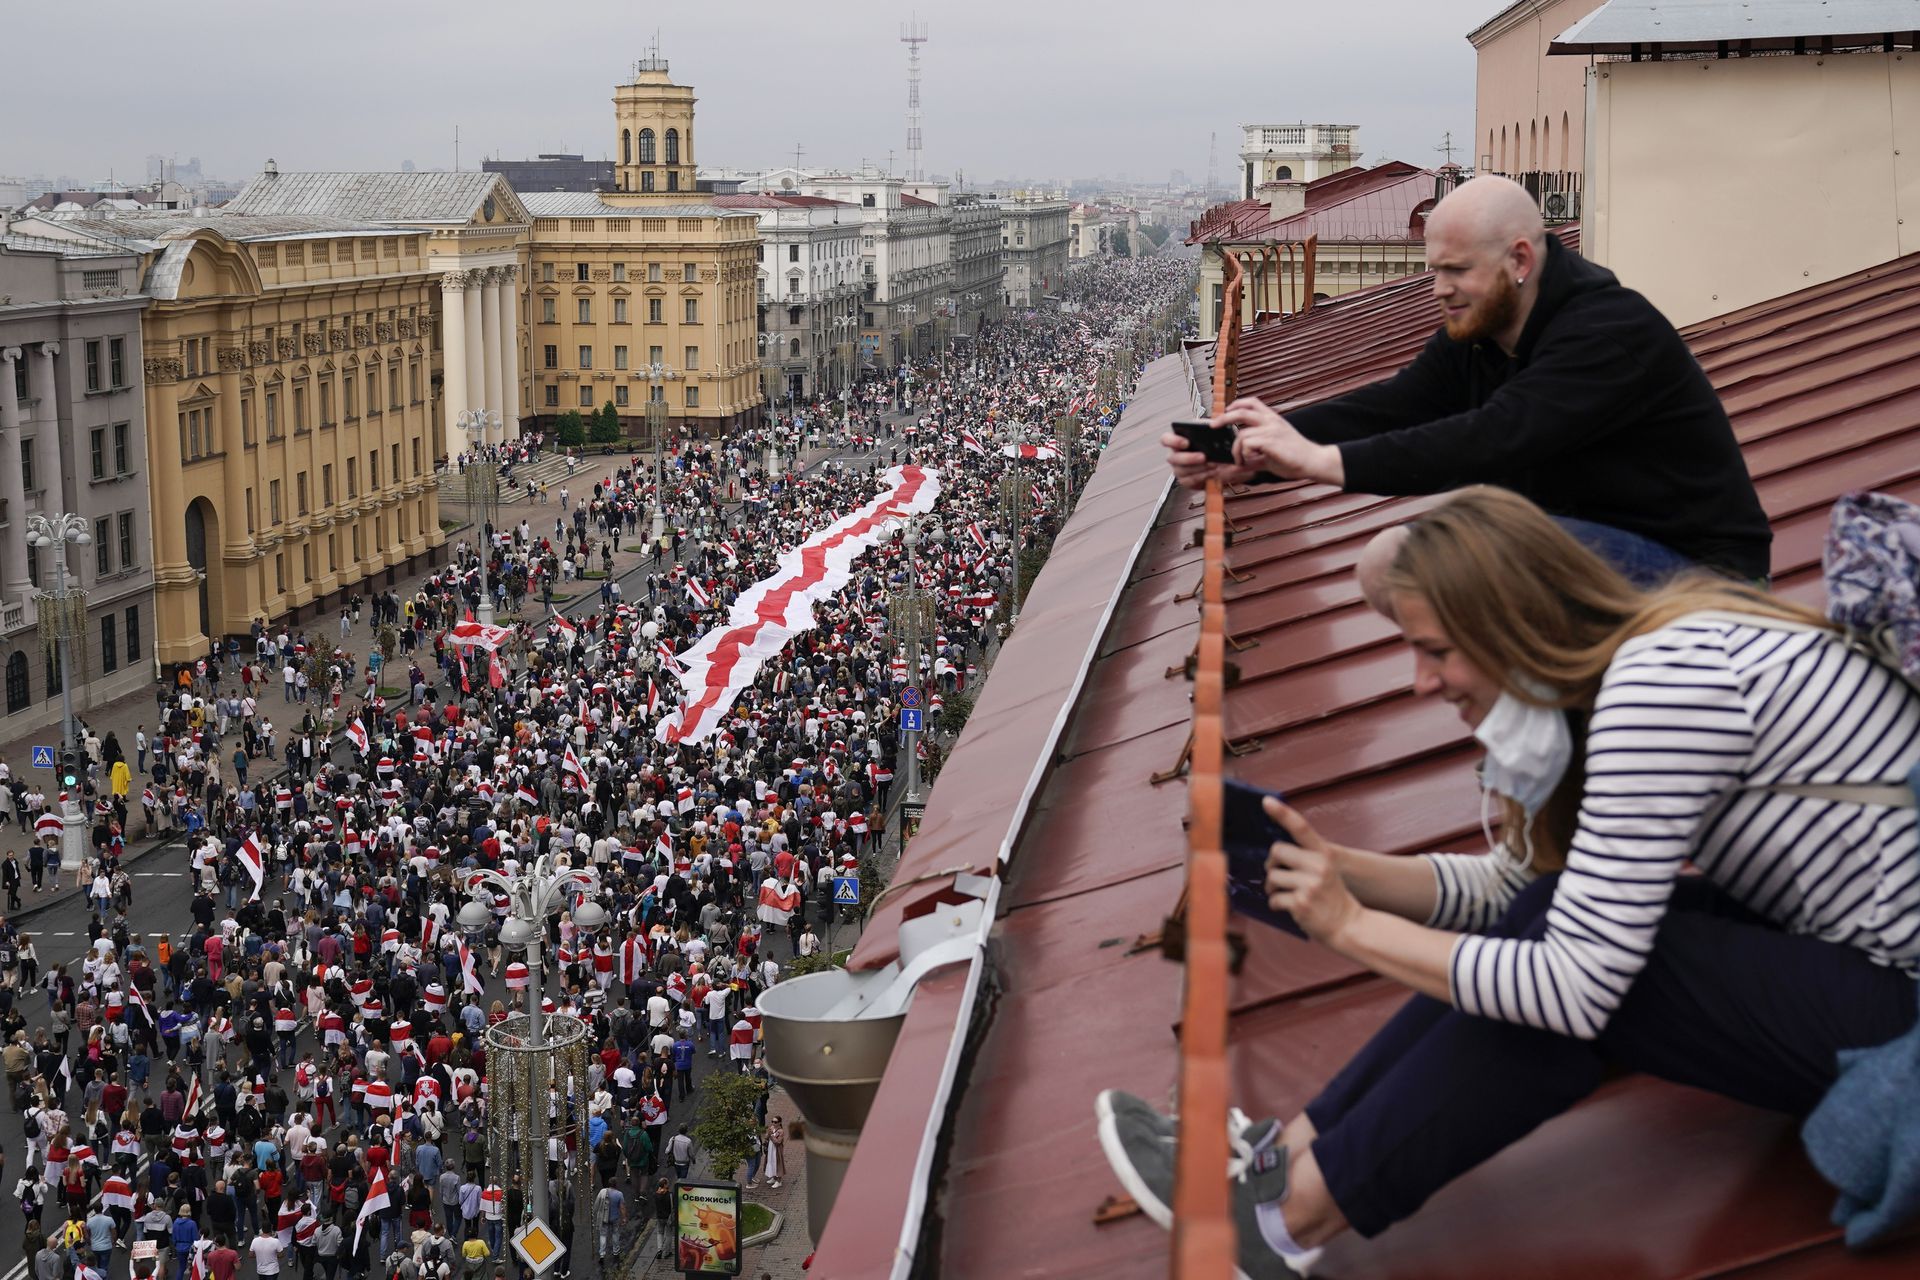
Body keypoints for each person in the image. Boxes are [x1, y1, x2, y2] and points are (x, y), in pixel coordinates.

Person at [1098, 487, 1920, 1275]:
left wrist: (1349, 926)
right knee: (1549, 912)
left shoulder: (1663, 686)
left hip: (1904, 1028)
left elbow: (1580, 989)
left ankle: (1283, 1221)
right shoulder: (1656, 654)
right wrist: (1333, 872)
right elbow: (1514, 892)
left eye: (1437, 649)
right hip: (1867, 973)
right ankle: (1286, 1162)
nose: (1422, 681)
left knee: (1603, 981)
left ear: (1515, 624)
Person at [1161, 175, 1772, 585]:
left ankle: (1539, 763)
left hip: (1706, 584)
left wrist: (1320, 463)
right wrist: (1251, 451)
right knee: (1395, 561)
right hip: (1595, 555)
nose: (1439, 289)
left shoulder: (1607, 331)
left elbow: (1492, 438)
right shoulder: (1486, 327)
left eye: (1456, 271)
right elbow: (1395, 407)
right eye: (1434, 271)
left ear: (1520, 260)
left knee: (1476, 546)